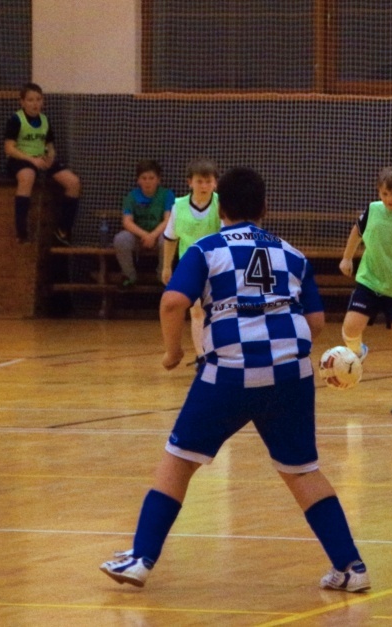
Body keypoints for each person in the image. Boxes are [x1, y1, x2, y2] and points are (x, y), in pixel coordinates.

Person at [100, 167, 370, 593]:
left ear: (219, 208)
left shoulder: (207, 249)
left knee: (179, 460)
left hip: (229, 372)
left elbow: (172, 303)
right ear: (265, 207)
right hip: (291, 375)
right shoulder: (293, 255)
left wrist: (174, 353)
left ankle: (141, 558)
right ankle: (351, 567)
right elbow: (316, 322)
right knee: (302, 470)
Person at [338, 166, 392, 413]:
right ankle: (358, 352)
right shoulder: (373, 210)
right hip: (370, 280)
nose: (389, 199)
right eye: (384, 194)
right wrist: (347, 257)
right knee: (351, 327)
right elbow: (357, 231)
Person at [3, 82, 81, 244]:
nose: (35, 104)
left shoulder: (45, 120)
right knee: (28, 176)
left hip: (40, 158)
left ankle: (63, 229)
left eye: (38, 99)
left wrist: (50, 156)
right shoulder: (16, 119)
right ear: (22, 102)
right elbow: (9, 148)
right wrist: (32, 160)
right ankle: (21, 231)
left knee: (73, 182)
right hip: (21, 160)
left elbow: (50, 145)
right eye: (30, 100)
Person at [160, 158, 221, 360]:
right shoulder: (179, 206)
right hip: (190, 266)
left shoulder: (221, 205)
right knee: (196, 311)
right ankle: (201, 356)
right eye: (199, 181)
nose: (204, 186)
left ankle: (217, 351)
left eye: (208, 181)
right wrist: (166, 267)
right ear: (190, 183)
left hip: (217, 265)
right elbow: (170, 238)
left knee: (216, 311)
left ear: (215, 183)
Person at [113, 159, 175, 287]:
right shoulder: (132, 196)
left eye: (151, 178)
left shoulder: (167, 195)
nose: (148, 182)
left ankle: (162, 276)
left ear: (158, 180)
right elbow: (127, 221)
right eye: (144, 178)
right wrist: (145, 235)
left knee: (168, 239)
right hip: (138, 236)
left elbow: (168, 220)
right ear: (138, 180)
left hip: (158, 235)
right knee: (121, 239)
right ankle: (129, 277)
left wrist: (152, 235)